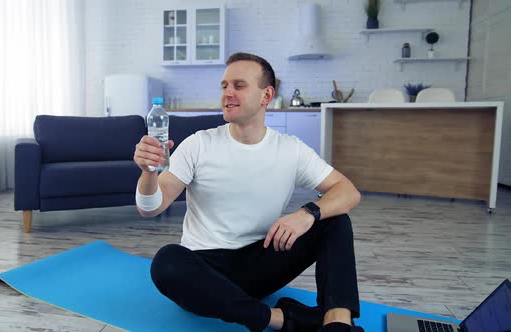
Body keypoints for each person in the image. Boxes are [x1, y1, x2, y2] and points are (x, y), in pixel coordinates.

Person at [134, 52, 363, 332]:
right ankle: (280, 319)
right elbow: (151, 207)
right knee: (166, 262)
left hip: (262, 260)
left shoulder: (291, 149)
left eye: (239, 85)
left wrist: (307, 214)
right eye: (224, 86)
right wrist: (148, 172)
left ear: (266, 95)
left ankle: (337, 323)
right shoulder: (199, 144)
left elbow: (348, 192)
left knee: (335, 220)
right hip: (205, 268)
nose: (227, 93)